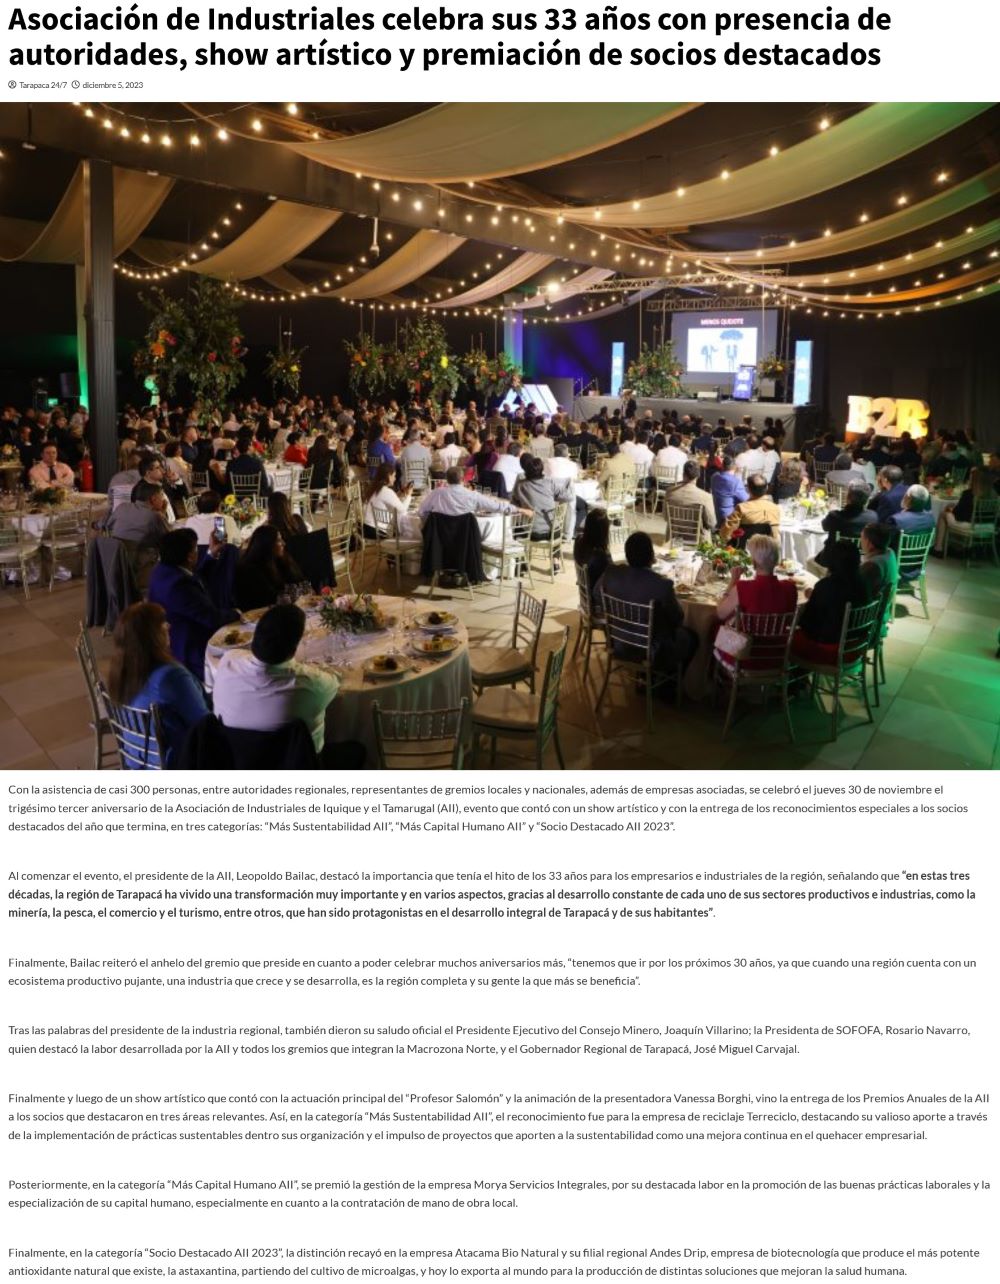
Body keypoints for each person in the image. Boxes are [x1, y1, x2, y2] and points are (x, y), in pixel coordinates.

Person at [211, 604, 363, 763]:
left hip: (237, 758)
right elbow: (336, 680)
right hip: (299, 763)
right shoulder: (312, 684)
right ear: (294, 649)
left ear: (255, 637)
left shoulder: (228, 660)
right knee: (357, 749)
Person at [106, 601, 209, 768]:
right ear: (150, 636)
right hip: (177, 763)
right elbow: (204, 723)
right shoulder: (170, 677)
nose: (168, 626)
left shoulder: (121, 674)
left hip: (138, 762)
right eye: (161, 623)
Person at [595, 532, 697, 680]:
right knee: (692, 637)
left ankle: (647, 678)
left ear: (627, 554)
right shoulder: (662, 585)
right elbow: (678, 618)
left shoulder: (611, 573)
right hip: (650, 653)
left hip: (617, 643)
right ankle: (670, 685)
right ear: (651, 555)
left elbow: (596, 595)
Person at [147, 528, 241, 683]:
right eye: (196, 549)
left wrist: (211, 553)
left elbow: (194, 576)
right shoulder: (179, 586)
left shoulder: (162, 570)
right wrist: (237, 613)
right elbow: (212, 618)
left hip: (170, 639)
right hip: (189, 649)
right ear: (190, 556)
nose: (198, 552)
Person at [714, 534, 798, 668]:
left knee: (713, 629)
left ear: (753, 562)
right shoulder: (791, 588)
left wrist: (733, 581)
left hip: (744, 657)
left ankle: (710, 677)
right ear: (777, 561)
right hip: (777, 656)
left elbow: (720, 614)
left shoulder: (742, 588)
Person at [790, 539, 872, 664]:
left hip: (831, 650)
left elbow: (807, 623)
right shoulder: (864, 583)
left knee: (786, 637)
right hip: (858, 645)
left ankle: (799, 674)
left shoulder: (826, 586)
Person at [234, 525, 304, 613]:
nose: (284, 543)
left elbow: (299, 581)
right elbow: (270, 598)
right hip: (259, 615)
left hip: (283, 610)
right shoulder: (250, 570)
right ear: (267, 544)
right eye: (279, 540)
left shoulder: (280, 560)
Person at [418, 466, 525, 520]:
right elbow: (497, 507)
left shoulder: (436, 493)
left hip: (440, 541)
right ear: (463, 479)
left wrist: (434, 522)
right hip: (465, 541)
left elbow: (421, 512)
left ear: (447, 479)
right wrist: (519, 509)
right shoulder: (473, 495)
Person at [513, 454, 577, 542]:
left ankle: (519, 550)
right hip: (553, 532)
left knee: (516, 526)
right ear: (542, 469)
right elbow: (570, 497)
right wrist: (570, 483)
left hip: (531, 532)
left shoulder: (520, 485)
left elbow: (514, 503)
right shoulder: (550, 482)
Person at [933, 467, 996, 555]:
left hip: (971, 526)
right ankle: (957, 546)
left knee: (944, 514)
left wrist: (951, 509)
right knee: (950, 514)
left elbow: (959, 515)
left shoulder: (969, 494)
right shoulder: (994, 495)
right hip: (988, 526)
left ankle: (938, 548)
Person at [814, 480, 877, 569]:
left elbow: (824, 526)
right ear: (867, 500)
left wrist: (832, 511)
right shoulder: (873, 517)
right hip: (862, 560)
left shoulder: (835, 516)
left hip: (834, 561)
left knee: (809, 560)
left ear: (848, 497)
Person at [720, 473, 780, 543]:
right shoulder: (775, 508)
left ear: (748, 489)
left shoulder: (741, 508)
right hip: (769, 547)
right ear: (767, 488)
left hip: (745, 547)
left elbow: (725, 533)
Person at [573, 508, 613, 608]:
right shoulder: (601, 556)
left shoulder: (578, 540)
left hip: (585, 593)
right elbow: (612, 577)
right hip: (598, 600)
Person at [664, 460, 716, 532]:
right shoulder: (706, 497)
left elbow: (666, 517)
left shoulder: (669, 492)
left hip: (674, 535)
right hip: (697, 537)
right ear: (698, 476)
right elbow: (711, 523)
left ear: (683, 474)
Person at [363, 463, 412, 538]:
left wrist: (401, 492)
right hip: (377, 532)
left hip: (366, 527)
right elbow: (402, 509)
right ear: (389, 476)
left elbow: (387, 499)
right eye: (394, 476)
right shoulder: (387, 492)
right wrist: (409, 495)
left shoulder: (374, 488)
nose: (395, 479)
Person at [859, 522, 898, 600]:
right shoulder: (890, 552)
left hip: (871, 606)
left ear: (869, 543)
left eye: (862, 538)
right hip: (884, 603)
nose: (861, 541)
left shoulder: (872, 565)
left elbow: (858, 591)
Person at [226, 432, 272, 497]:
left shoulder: (231, 464)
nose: (253, 447)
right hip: (255, 496)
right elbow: (264, 483)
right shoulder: (257, 463)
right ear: (249, 447)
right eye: (251, 445)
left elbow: (228, 483)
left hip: (237, 496)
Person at [710, 455, 749, 527]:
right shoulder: (736, 482)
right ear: (735, 467)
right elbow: (746, 500)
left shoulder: (714, 477)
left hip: (715, 513)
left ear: (722, 466)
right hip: (729, 518)